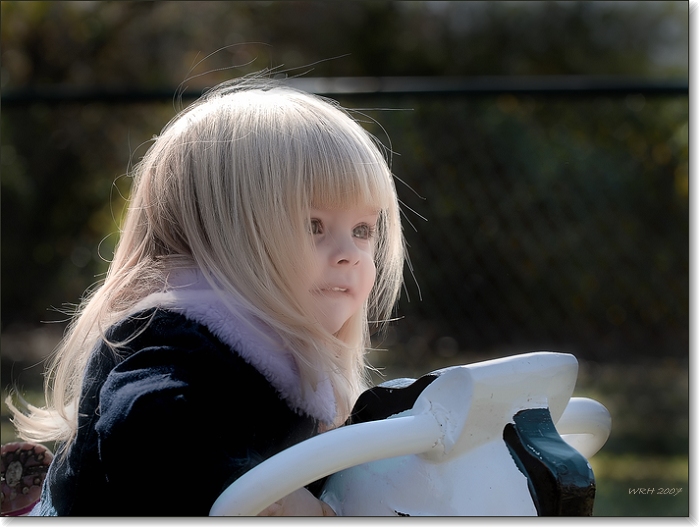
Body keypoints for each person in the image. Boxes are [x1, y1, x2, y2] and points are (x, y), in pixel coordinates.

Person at [4, 75, 406, 516]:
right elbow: (149, 431)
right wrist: (283, 504)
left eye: (362, 230)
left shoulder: (278, 350)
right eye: (314, 226)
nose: (349, 254)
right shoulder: (175, 339)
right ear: (225, 234)